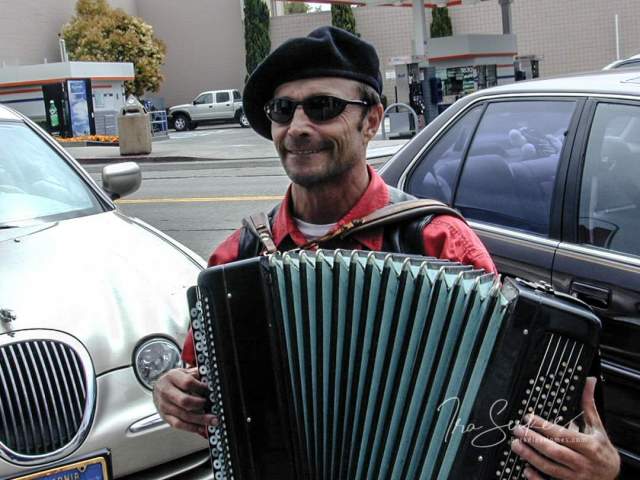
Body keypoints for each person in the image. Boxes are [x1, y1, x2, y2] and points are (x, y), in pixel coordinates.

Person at [153, 26, 620, 479]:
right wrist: (174, 393)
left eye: (322, 107)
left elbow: (521, 422)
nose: (297, 127)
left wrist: (598, 467)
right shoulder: (237, 261)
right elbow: (202, 383)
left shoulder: (439, 243)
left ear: (372, 120)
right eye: (282, 110)